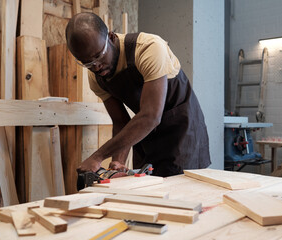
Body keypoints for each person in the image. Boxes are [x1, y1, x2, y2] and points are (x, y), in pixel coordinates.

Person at [65, 12, 211, 177]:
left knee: (179, 190)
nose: (96, 66)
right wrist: (118, 161)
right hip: (144, 134)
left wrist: (98, 156)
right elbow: (121, 121)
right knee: (142, 189)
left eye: (98, 56)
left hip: (181, 131)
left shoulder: (149, 48)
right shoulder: (96, 79)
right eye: (87, 63)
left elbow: (151, 116)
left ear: (111, 37)